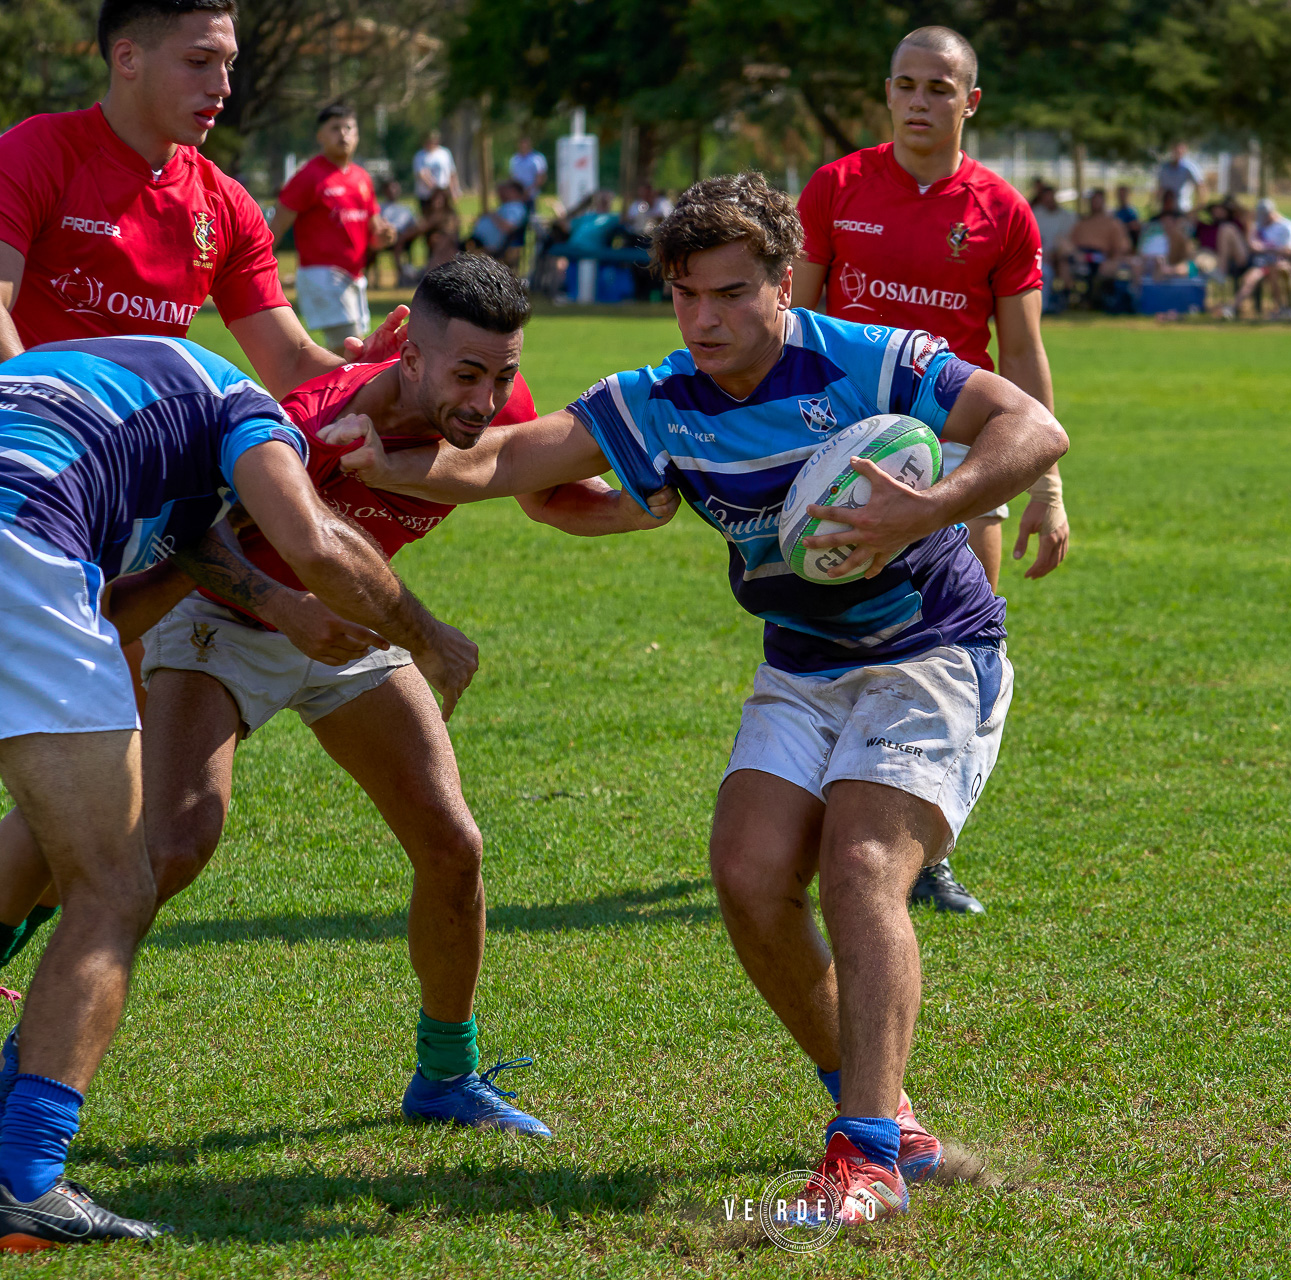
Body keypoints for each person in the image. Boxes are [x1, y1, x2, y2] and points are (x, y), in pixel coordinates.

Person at [326, 171, 1069, 1226]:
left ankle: (862, 1159)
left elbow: (1032, 427)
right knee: (749, 873)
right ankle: (885, 1116)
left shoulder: (864, 358)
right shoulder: (660, 397)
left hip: (933, 649)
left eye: (729, 293)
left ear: (783, 284)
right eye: (685, 295)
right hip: (802, 659)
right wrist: (382, 460)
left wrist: (928, 508)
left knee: (862, 864)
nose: (705, 318)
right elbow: (503, 458)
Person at [0, 258, 670, 1147]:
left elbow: (541, 491)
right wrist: (288, 607)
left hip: (355, 627)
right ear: (408, 348)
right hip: (225, 622)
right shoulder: (310, 421)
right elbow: (197, 535)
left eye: (503, 374)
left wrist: (633, 510)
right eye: (467, 374)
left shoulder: (493, 406)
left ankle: (446, 1076)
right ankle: (32, 1058)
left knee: (452, 844)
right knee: (168, 845)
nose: (486, 398)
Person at [0, 333, 477, 1249]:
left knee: (52, 827)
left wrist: (226, 577)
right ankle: (25, 1180)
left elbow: (113, 609)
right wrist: (425, 634)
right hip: (28, 551)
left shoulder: (120, 412)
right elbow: (315, 542)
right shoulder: (249, 413)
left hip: (34, 554)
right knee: (114, 885)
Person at [791, 25, 1069, 917]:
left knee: (956, 647)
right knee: (832, 643)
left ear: (970, 101)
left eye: (939, 88)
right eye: (905, 85)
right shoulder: (835, 188)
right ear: (888, 94)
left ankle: (931, 850)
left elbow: (1023, 354)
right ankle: (820, 821)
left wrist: (1046, 486)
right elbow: (791, 323)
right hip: (842, 445)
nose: (920, 101)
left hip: (956, 450)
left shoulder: (1001, 211)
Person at [0, 0, 405, 394]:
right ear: (127, 59)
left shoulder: (225, 203)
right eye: (199, 62)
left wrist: (373, 374)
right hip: (35, 444)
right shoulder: (33, 154)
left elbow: (290, 362)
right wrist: (39, 406)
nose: (223, 86)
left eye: (227, 64)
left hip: (149, 442)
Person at [272, 103, 393, 350]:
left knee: (349, 349)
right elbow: (277, 225)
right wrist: (258, 263)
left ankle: (315, 386)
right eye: (335, 128)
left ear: (358, 135)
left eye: (349, 128)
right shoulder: (309, 175)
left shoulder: (362, 178)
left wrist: (386, 236)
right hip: (322, 274)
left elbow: (375, 233)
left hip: (355, 277)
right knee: (351, 346)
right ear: (320, 136)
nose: (343, 134)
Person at [1222, 198, 1291, 319]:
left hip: (1282, 264)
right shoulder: (1259, 226)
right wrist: (1250, 225)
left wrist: (1266, 249)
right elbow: (1251, 246)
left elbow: (1290, 251)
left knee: (1275, 270)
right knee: (1250, 279)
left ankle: (1282, 308)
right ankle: (1232, 309)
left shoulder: (1287, 227)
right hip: (1262, 264)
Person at [1029, 183, 1077, 312]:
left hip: (1061, 256)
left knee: (1062, 264)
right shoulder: (1035, 214)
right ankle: (1043, 307)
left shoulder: (1067, 216)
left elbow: (1068, 240)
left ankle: (1064, 299)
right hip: (1039, 257)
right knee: (1045, 272)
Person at [465, 179, 530, 264]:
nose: (505, 193)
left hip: (487, 245)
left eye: (508, 190)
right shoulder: (507, 205)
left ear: (515, 192)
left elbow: (507, 227)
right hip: (479, 241)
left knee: (455, 249)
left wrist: (493, 216)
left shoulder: (517, 208)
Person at [376, 178, 422, 285]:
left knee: (399, 241)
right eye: (390, 189)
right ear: (385, 191)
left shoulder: (406, 209)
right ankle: (402, 274)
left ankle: (403, 275)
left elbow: (415, 225)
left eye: (395, 189)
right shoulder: (380, 208)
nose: (393, 192)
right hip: (385, 239)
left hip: (403, 239)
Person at [1136, 189, 1192, 276]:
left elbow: (1191, 264)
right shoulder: (1152, 224)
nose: (1168, 203)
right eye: (1166, 200)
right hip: (1150, 264)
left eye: (1171, 200)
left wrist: (1172, 269)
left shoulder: (1181, 223)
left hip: (1173, 265)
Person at [418, 189, 461, 272]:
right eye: (435, 199)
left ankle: (430, 270)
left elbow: (451, 231)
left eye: (440, 199)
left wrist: (439, 236)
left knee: (443, 242)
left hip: (450, 244)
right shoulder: (430, 215)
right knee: (439, 243)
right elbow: (419, 229)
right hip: (436, 247)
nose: (437, 201)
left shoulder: (450, 214)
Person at [1155, 142, 1204, 216]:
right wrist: (1156, 203)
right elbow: (1160, 187)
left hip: (1183, 207)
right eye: (1175, 151)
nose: (1177, 153)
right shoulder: (1164, 168)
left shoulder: (1189, 167)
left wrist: (1198, 206)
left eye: (1179, 151)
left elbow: (1200, 186)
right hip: (1167, 207)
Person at [413, 129, 460, 204]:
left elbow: (451, 173)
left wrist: (454, 190)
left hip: (443, 192)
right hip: (427, 195)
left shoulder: (445, 153)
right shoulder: (420, 155)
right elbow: (422, 175)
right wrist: (435, 190)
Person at [508, 137, 548, 203]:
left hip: (532, 194)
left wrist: (529, 190)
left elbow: (540, 176)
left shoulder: (537, 158)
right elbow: (512, 176)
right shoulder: (514, 159)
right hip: (518, 194)